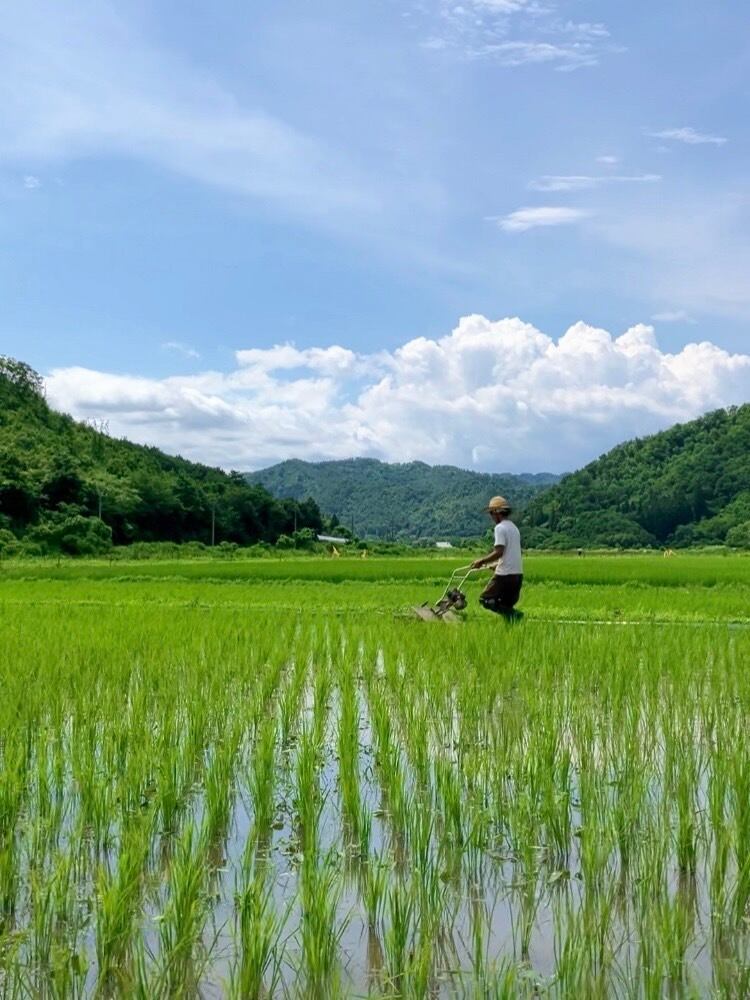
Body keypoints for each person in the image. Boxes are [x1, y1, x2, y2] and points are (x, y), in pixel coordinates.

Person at [471, 496, 523, 616]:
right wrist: (497, 564)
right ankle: (513, 619)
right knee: (505, 604)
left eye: (491, 513)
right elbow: (513, 552)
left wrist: (481, 561)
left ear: (497, 512)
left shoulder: (500, 528)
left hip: (505, 575)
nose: (491, 517)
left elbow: (499, 552)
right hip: (517, 574)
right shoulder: (514, 528)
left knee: (485, 599)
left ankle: (515, 616)